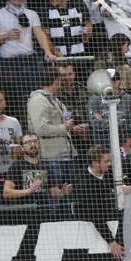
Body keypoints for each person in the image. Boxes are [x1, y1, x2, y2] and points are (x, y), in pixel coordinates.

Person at [28, 65, 86, 202]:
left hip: (66, 156)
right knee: (54, 201)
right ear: (56, 80)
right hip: (50, 159)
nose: (64, 80)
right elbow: (40, 129)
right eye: (61, 77)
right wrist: (64, 127)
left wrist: (71, 128)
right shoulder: (38, 100)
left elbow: (61, 126)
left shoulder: (55, 100)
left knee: (69, 200)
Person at [0, 0, 58, 94]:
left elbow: (40, 34)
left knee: (36, 94)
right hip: (9, 63)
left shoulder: (31, 14)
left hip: (30, 61)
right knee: (13, 97)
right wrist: (7, 35)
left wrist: (47, 51)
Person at [76, 145, 130, 259]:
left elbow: (115, 186)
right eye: (106, 161)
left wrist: (120, 187)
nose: (110, 164)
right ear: (95, 163)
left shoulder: (110, 173)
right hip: (95, 231)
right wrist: (112, 242)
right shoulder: (84, 183)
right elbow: (95, 215)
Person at [3, 133, 68, 205]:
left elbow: (54, 194)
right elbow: (6, 192)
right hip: (23, 212)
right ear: (22, 147)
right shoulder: (16, 166)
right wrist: (28, 191)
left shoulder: (46, 167)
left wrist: (63, 192)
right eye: (28, 142)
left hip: (43, 212)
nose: (33, 144)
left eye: (35, 141)